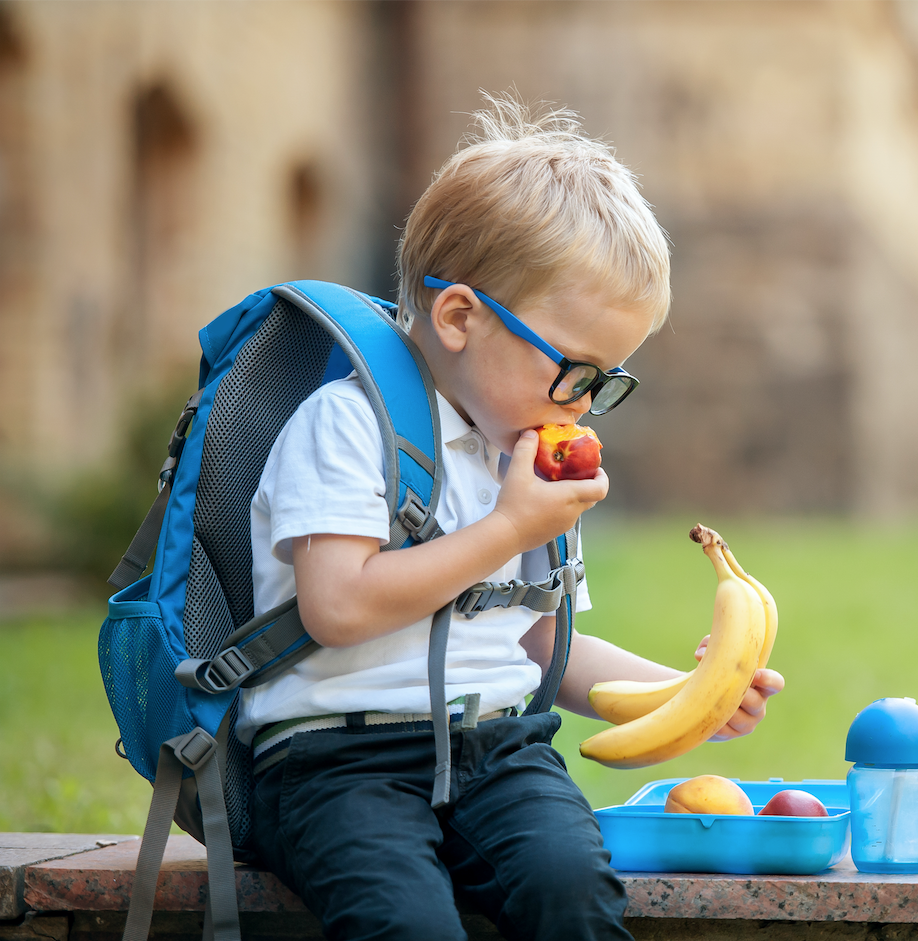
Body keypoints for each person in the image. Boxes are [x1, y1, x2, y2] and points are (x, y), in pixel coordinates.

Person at [236, 95, 785, 941]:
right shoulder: (348, 426)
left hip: (497, 750)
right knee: (407, 924)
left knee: (574, 891)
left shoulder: (523, 457)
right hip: (334, 761)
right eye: (574, 369)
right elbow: (336, 607)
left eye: (605, 380)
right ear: (460, 317)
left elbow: (540, 645)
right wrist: (506, 530)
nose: (584, 403)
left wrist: (692, 693)